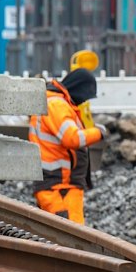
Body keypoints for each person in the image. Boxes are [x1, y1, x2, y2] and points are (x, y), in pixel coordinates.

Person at [28, 67, 102, 224]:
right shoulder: (57, 105)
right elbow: (72, 139)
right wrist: (98, 133)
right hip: (59, 186)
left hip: (59, 185)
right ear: (79, 89)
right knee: (71, 240)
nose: (84, 101)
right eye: (85, 96)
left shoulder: (53, 103)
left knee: (66, 239)